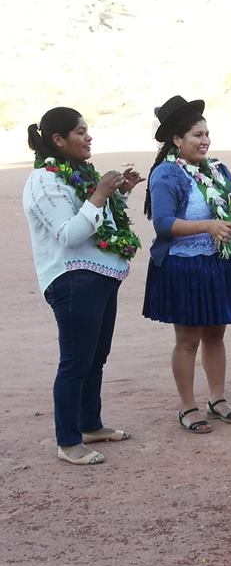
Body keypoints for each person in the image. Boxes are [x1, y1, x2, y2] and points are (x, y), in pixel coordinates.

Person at [143, 95, 231, 433]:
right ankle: (188, 406)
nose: (205, 141)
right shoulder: (166, 175)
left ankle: (217, 399)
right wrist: (207, 226)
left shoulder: (216, 169)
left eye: (206, 134)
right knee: (188, 339)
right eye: (196, 136)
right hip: (184, 266)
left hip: (217, 263)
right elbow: (163, 223)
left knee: (216, 335)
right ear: (177, 140)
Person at [23, 108, 144, 465]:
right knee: (76, 361)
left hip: (102, 276)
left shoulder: (78, 174)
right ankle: (68, 441)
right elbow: (70, 234)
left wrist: (119, 194)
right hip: (72, 278)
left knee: (96, 358)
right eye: (80, 132)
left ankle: (90, 424)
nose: (88, 137)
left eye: (88, 130)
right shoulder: (44, 180)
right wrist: (99, 195)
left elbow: (98, 224)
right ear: (58, 140)